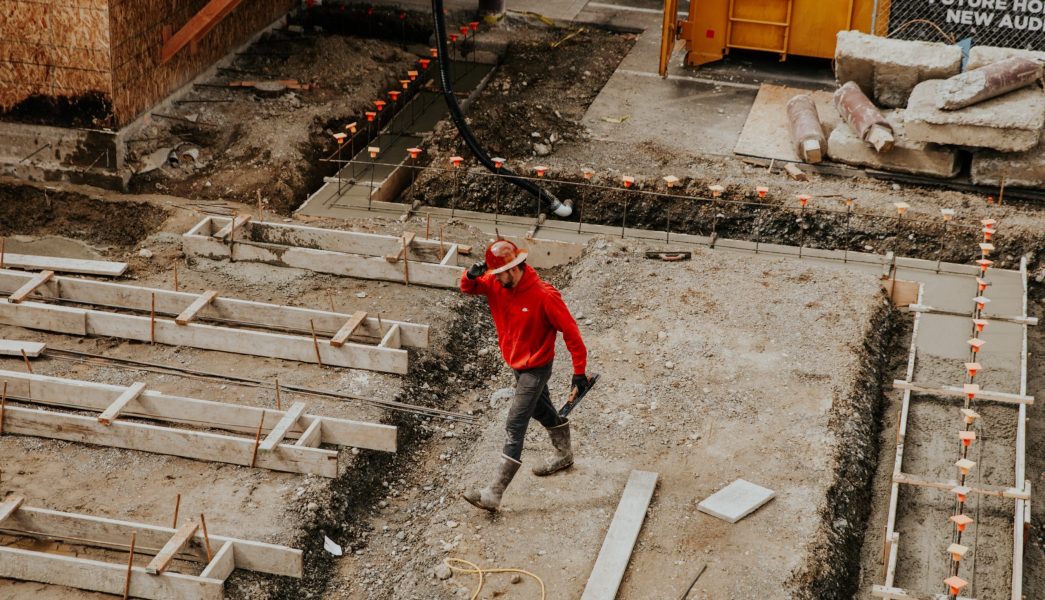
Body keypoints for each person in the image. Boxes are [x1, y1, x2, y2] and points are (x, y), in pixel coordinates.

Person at [459, 239, 593, 512]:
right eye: (492, 274)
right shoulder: (497, 284)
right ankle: (564, 454)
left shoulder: (544, 295)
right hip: (516, 363)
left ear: (515, 267)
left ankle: (493, 494)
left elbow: (571, 333)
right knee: (540, 411)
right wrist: (470, 274)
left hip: (536, 368)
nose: (494, 278)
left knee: (515, 423)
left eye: (499, 273)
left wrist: (579, 373)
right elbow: (468, 288)